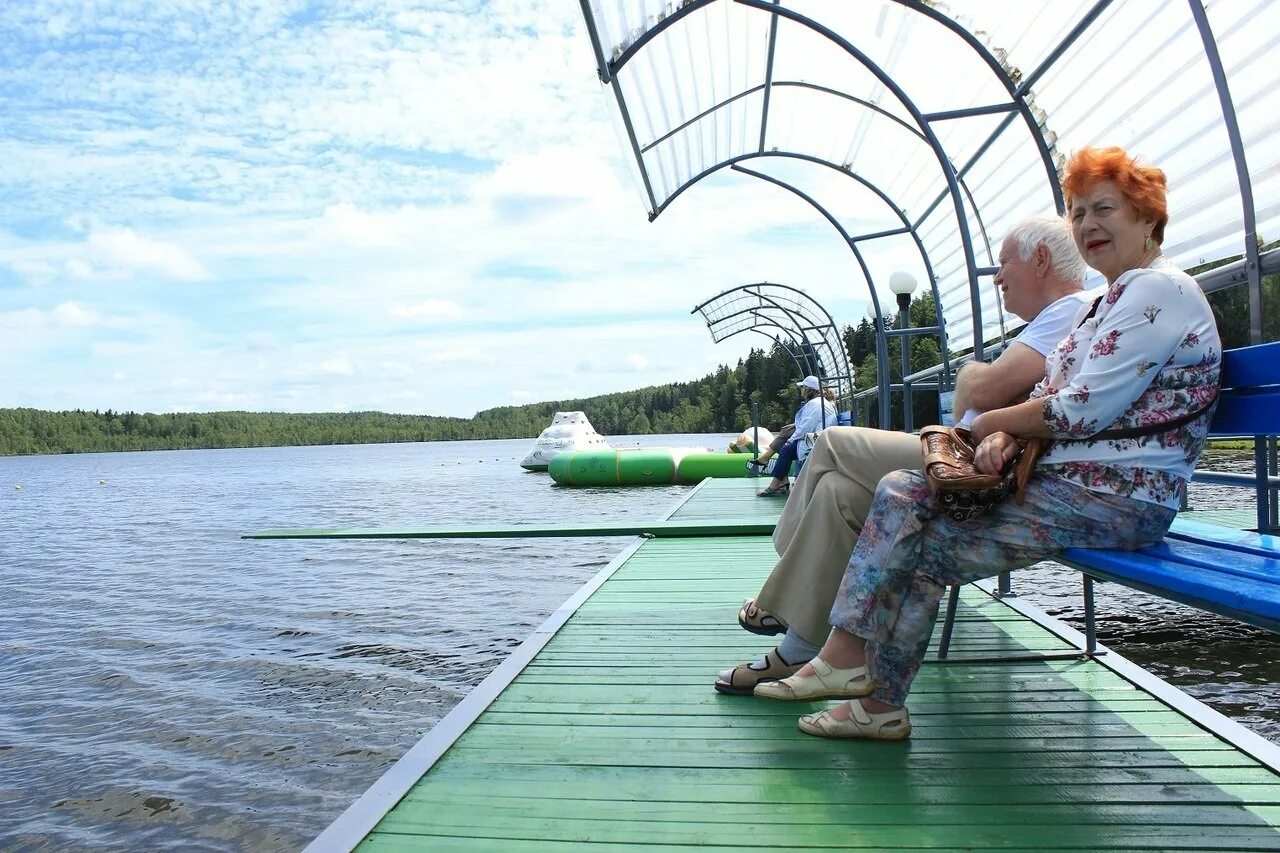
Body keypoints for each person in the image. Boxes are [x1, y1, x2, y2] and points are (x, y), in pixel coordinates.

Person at [756, 146, 1221, 741]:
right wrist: (1002, 432)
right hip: (1068, 485)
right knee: (901, 491)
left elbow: (1079, 409)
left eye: (1105, 209)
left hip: (1119, 498)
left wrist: (983, 426)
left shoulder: (1161, 293)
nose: (1087, 225)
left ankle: (856, 679)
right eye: (1077, 213)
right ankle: (865, 691)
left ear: (1148, 217)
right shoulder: (1110, 302)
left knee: (914, 545)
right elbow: (1055, 390)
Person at [716, 213, 1096, 694]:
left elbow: (982, 390)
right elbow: (978, 392)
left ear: (1041, 260)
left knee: (832, 445)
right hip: (960, 458)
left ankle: (778, 594)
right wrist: (975, 384)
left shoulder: (1068, 309)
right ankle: (797, 650)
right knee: (837, 492)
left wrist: (975, 380)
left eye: (1004, 264)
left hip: (970, 465)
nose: (997, 277)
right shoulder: (1057, 319)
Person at [754, 377, 837, 497]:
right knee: (786, 447)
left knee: (786, 448)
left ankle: (776, 484)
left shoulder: (815, 404)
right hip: (820, 438)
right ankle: (780, 482)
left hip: (817, 441)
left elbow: (805, 428)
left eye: (802, 387)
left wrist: (791, 440)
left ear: (809, 390)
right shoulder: (819, 402)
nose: (801, 390)